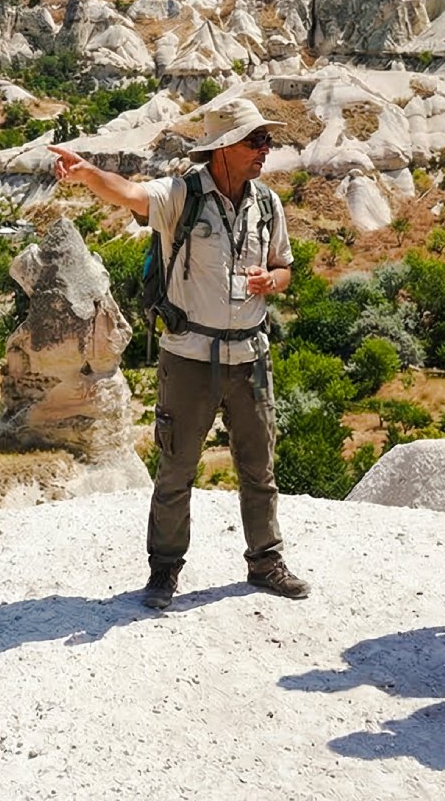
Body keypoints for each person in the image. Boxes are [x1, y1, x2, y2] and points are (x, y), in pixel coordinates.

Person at [47, 98, 308, 611]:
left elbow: (284, 268)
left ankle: (266, 561)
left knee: (259, 468)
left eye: (265, 140)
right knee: (176, 469)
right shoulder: (183, 195)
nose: (265, 149)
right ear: (223, 150)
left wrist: (270, 282)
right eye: (255, 141)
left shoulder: (267, 206)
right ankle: (164, 571)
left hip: (250, 356)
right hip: (189, 357)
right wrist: (88, 173)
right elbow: (131, 193)